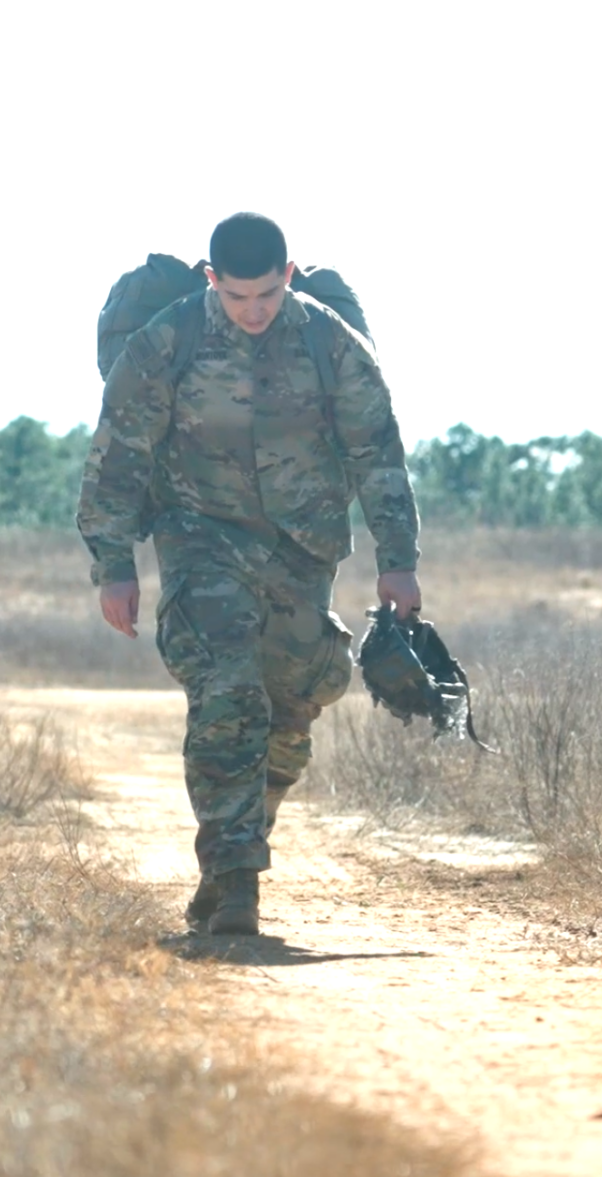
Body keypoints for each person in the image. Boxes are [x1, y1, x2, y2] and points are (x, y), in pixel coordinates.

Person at [78, 212, 423, 936]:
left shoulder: (331, 341)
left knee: (295, 702)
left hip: (303, 546)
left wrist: (399, 561)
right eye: (237, 298)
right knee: (227, 687)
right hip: (199, 535)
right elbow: (118, 455)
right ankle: (236, 882)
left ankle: (237, 840)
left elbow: (377, 453)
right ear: (212, 281)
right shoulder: (167, 342)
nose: (254, 311)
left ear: (288, 276)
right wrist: (115, 564)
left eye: (267, 294)